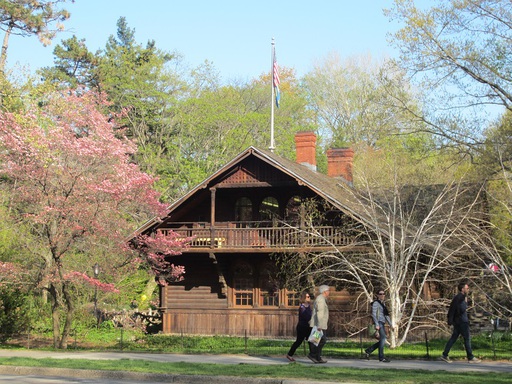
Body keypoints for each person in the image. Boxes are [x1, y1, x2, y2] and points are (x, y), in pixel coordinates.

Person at [440, 281, 481, 363]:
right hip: (462, 321)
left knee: (453, 338)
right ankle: (470, 357)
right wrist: (465, 304)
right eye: (467, 288)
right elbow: (461, 309)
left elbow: (452, 309)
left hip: (458, 322)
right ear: (462, 289)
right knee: (467, 338)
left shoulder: (458, 297)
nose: (468, 290)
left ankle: (445, 355)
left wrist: (451, 320)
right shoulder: (460, 298)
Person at [365, 289, 393, 363]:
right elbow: (374, 314)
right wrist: (377, 324)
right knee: (383, 338)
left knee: (382, 340)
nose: (382, 295)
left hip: (382, 322)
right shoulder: (375, 303)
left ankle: (368, 351)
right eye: (380, 294)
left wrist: (391, 324)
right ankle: (381, 357)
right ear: (377, 295)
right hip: (379, 323)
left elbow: (386, 315)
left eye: (383, 294)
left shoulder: (383, 304)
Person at [286, 291, 312, 362]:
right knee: (298, 341)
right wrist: (311, 320)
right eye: (307, 297)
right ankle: (289, 354)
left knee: (311, 340)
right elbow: (306, 316)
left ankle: (313, 355)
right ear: (304, 298)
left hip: (309, 326)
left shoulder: (309, 306)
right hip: (302, 327)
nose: (309, 298)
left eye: (309, 296)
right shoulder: (302, 307)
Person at [308, 284, 330, 364]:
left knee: (317, 340)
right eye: (328, 291)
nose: (329, 292)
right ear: (324, 291)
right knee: (321, 340)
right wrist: (319, 325)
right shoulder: (320, 299)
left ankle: (317, 357)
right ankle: (313, 355)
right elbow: (319, 313)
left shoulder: (322, 299)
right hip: (318, 325)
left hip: (320, 324)